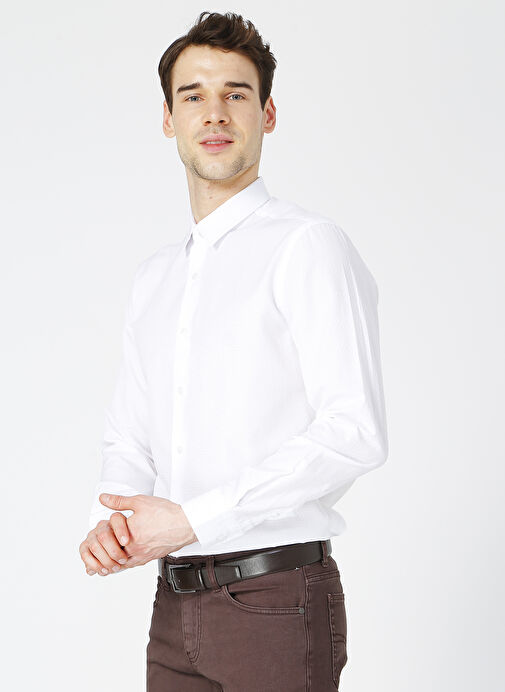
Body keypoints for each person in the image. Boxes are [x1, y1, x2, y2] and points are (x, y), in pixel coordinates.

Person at [78, 10, 388, 691]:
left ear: (267, 114)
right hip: (173, 602)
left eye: (235, 93)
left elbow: (354, 431)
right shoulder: (155, 276)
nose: (214, 112)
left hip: (275, 597)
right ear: (168, 118)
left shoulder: (306, 247)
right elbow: (130, 435)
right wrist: (114, 523)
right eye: (193, 95)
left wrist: (191, 519)